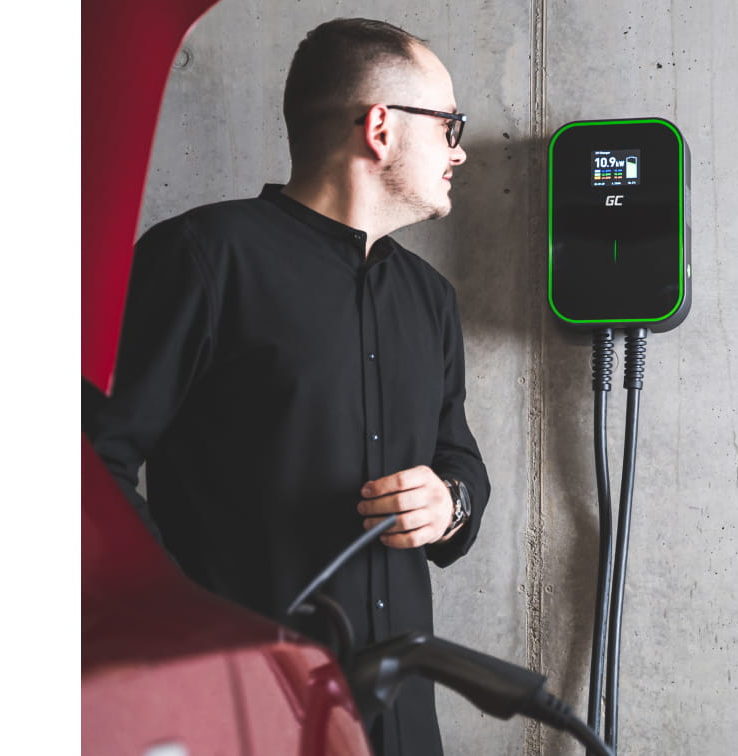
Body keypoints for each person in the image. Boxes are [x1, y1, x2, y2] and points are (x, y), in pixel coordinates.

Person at [83, 18, 490, 756]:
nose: (459, 149)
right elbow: (88, 467)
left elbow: (459, 459)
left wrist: (450, 503)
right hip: (243, 717)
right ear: (381, 127)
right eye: (448, 124)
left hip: (401, 722)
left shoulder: (431, 299)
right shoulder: (203, 259)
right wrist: (189, 632)